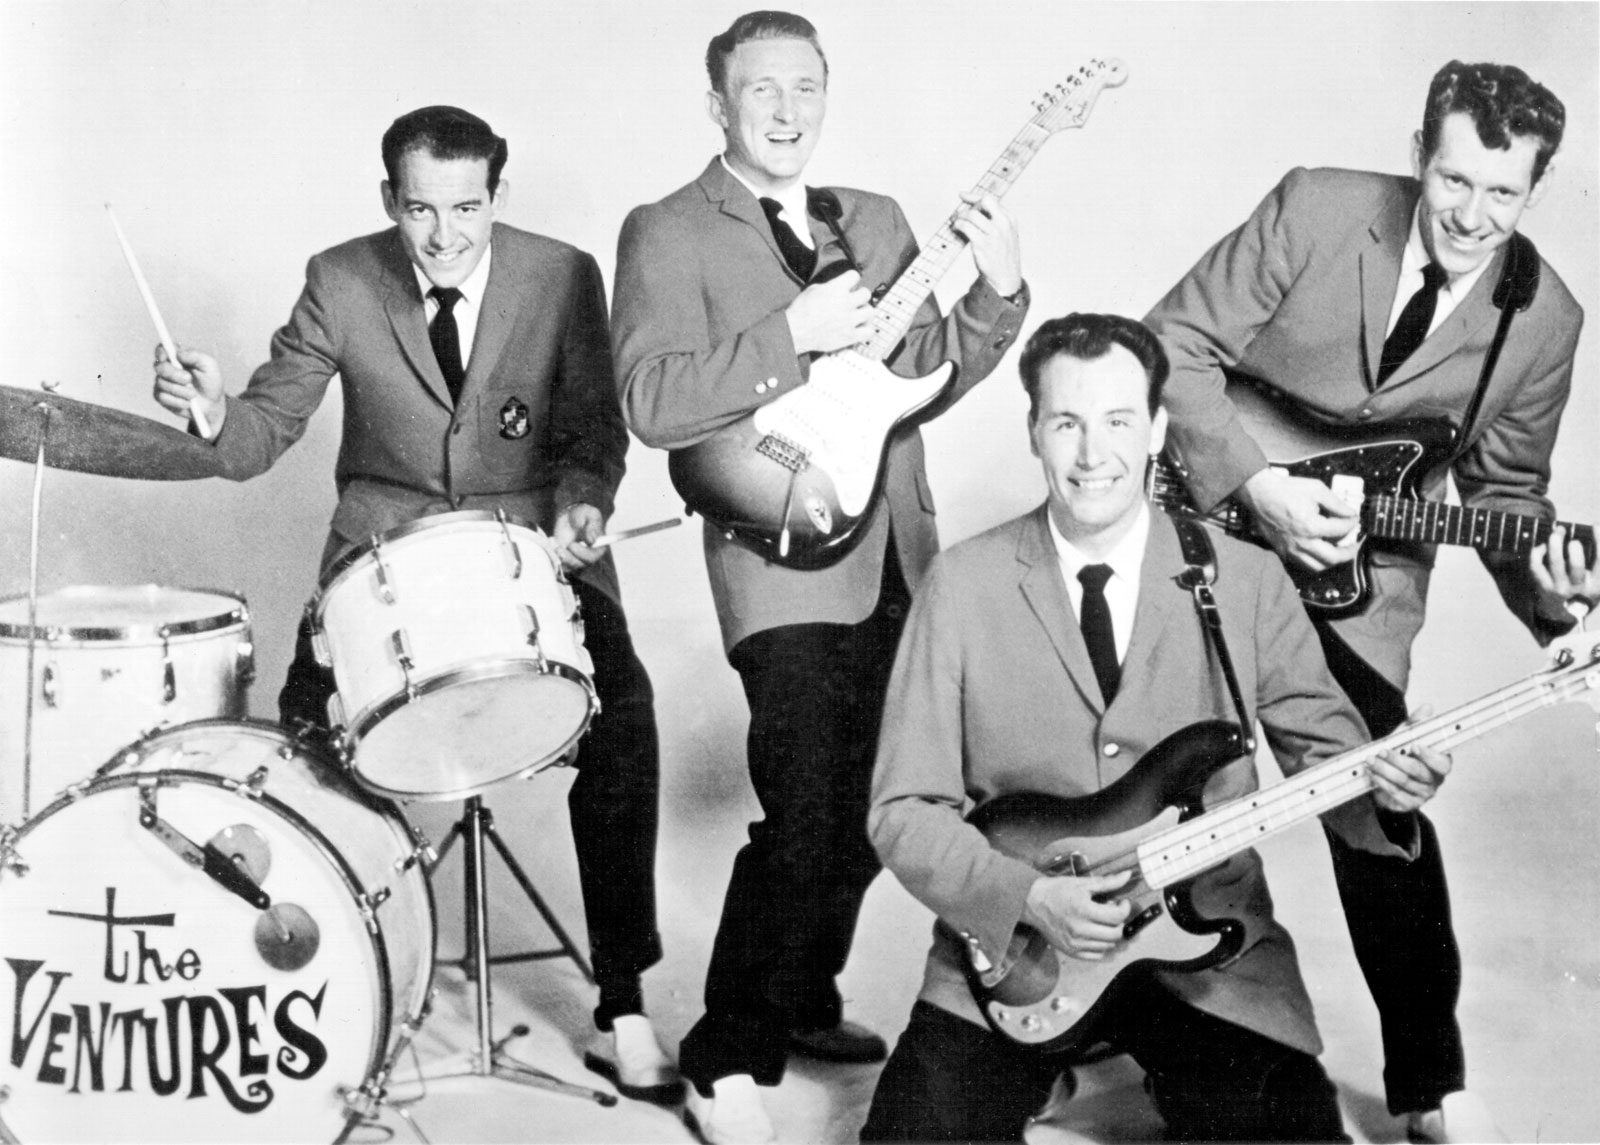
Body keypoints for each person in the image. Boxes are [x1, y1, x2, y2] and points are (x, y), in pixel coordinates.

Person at [150, 105, 682, 1105]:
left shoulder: (563, 274)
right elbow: (264, 428)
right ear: (389, 198)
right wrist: (216, 414)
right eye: (421, 209)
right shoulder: (340, 277)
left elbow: (592, 434)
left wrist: (582, 503)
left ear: (497, 196)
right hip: (380, 561)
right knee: (303, 745)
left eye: (467, 208)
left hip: (528, 553)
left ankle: (623, 1004)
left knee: (626, 722)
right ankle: (318, 982)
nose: (444, 235)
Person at [862, 313, 1451, 1143]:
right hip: (1019, 954)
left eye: (1118, 421)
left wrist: (1389, 795)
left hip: (1210, 948)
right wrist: (1027, 895)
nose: (1093, 453)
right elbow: (902, 809)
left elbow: (1332, 760)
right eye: (1066, 423)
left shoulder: (1246, 578)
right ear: (1033, 431)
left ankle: (1116, 1061)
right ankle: (1059, 1056)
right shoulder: (960, 584)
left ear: (1158, 429)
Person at [1144, 60, 1596, 1143]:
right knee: (1136, 771)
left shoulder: (1543, 318)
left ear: (1537, 187)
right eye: (1455, 180)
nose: (1473, 216)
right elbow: (1168, 345)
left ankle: (1429, 1082)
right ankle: (1096, 1024)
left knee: (1381, 795)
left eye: (1503, 193)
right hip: (1201, 534)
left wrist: (1556, 594)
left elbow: (1506, 497)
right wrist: (1258, 485)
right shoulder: (1316, 207)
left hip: (1358, 587)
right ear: (1418, 155)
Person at [609, 11, 1029, 1142]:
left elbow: (922, 379)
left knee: (884, 803)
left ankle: (798, 994)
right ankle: (725, 1051)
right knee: (808, 805)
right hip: (779, 563)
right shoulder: (666, 229)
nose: (787, 110)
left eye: (806, 87)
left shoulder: (874, 219)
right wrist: (790, 332)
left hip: (898, 551)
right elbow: (650, 400)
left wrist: (996, 294)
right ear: (718, 105)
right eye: (762, 90)